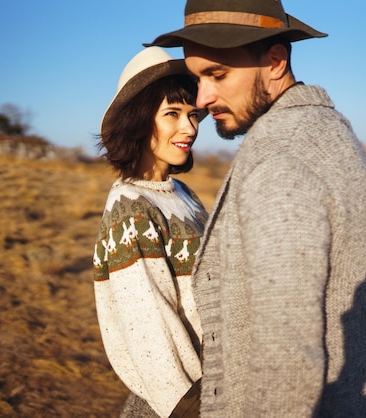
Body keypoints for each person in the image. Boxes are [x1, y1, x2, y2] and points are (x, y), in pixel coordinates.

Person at [146, 1, 366, 416]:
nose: (203, 98)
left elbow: (286, 353)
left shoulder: (280, 157)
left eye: (217, 75)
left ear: (275, 61)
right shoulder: (326, 131)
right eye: (197, 77)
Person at [92, 47, 207, 418]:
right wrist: (189, 405)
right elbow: (147, 329)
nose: (189, 127)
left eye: (192, 114)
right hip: (178, 403)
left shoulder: (184, 196)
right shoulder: (131, 207)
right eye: (172, 114)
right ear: (139, 121)